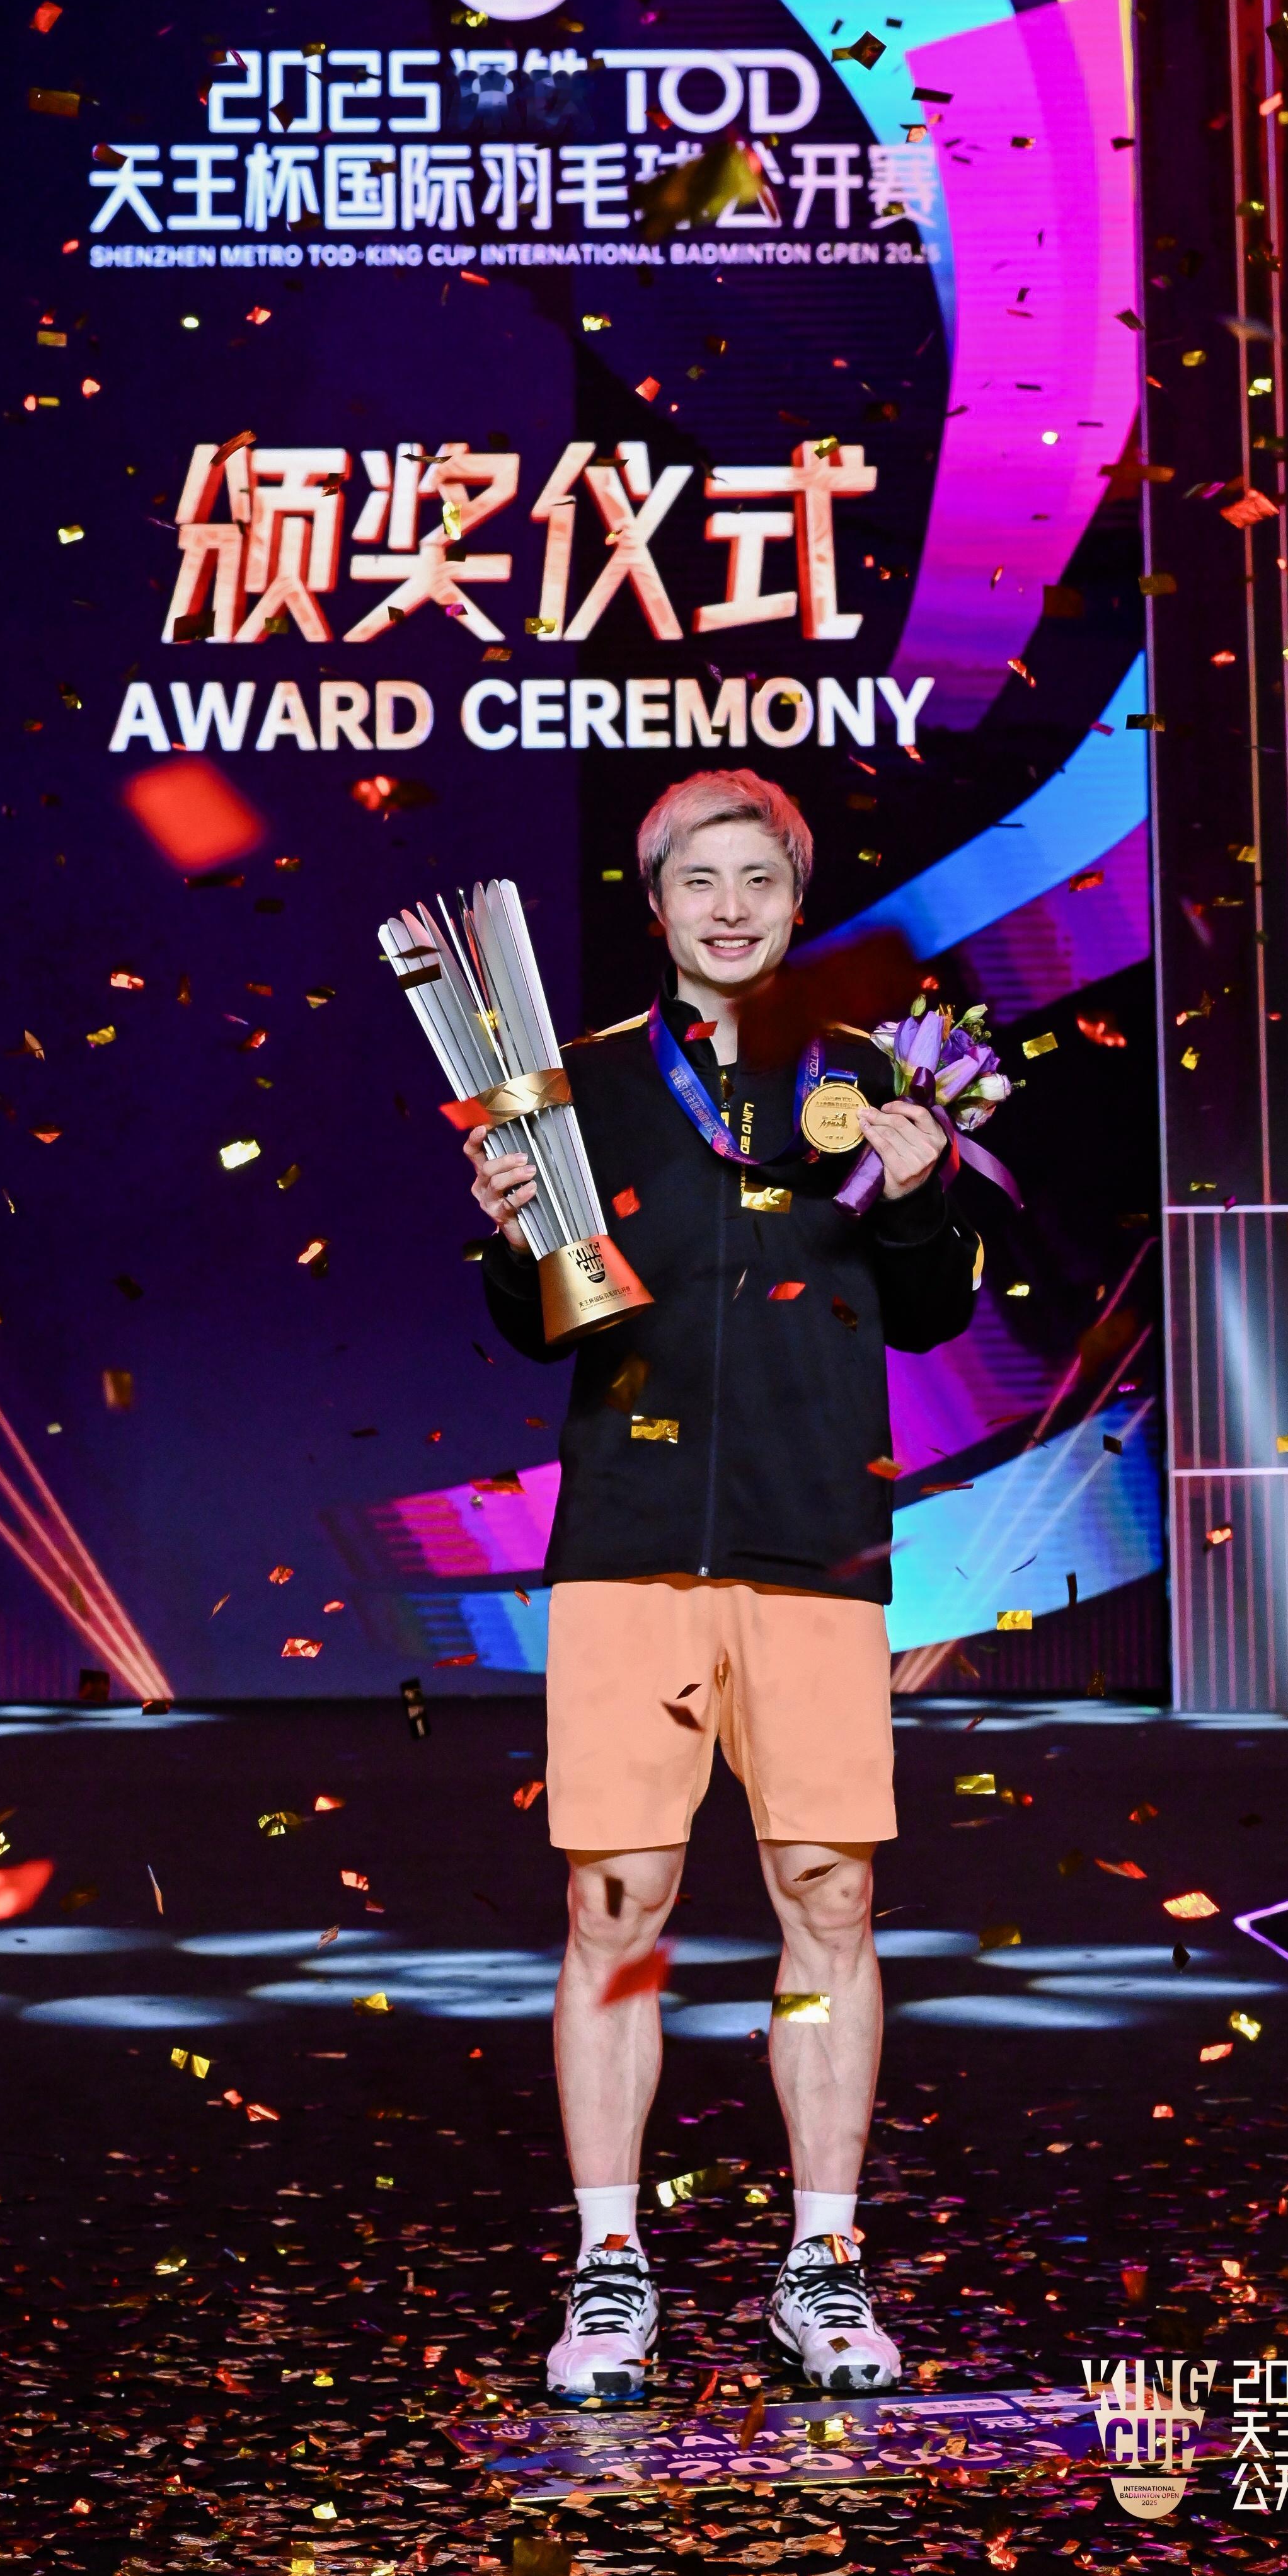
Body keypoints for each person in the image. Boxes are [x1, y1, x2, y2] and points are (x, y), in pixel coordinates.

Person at [464, 767, 982, 2406]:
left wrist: (920, 1198)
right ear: (658, 903)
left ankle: (822, 2260)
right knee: (615, 1906)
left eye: (761, 878)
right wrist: (510, 1238)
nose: (733, 907)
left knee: (828, 1898)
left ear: (796, 898)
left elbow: (934, 1314)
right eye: (703, 880)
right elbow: (542, 1325)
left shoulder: (873, 1080)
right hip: (628, 1548)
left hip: (816, 1550)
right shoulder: (581, 1090)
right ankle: (611, 2261)